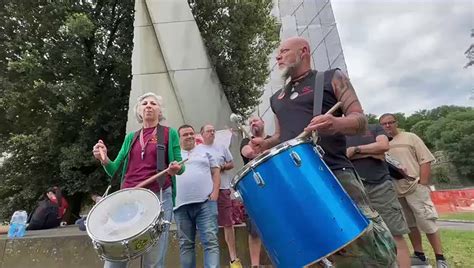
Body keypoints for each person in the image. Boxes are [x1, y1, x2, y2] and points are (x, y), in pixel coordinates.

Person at [249, 36, 397, 267]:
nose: (278, 56)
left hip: (335, 172)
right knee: (312, 247)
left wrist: (335, 124)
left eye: (284, 51)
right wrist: (264, 142)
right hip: (296, 179)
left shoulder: (331, 78)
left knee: (363, 243)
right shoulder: (276, 98)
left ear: (304, 51)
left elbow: (360, 120)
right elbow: (281, 136)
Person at [92, 92, 184, 268]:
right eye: (144, 103)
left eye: (153, 103)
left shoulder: (168, 133)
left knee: (154, 259)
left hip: (158, 197)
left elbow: (181, 165)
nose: (148, 106)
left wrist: (176, 168)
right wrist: (104, 159)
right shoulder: (131, 138)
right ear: (139, 111)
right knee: (115, 256)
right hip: (127, 199)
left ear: (160, 111)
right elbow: (115, 170)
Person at [379, 113, 449, 268]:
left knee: (427, 221)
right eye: (384, 124)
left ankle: (440, 258)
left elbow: (425, 159)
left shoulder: (410, 137)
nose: (388, 126)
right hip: (397, 190)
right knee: (409, 224)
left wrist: (422, 183)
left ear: (396, 123)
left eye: (390, 122)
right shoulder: (382, 142)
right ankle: (420, 255)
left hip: (415, 187)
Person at [346, 124, 411, 268]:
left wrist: (355, 150)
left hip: (380, 186)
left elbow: (383, 147)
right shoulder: (336, 133)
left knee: (395, 235)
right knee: (361, 241)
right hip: (352, 190)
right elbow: (341, 157)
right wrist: (370, 151)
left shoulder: (374, 128)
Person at [174, 125, 221, 268]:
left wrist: (215, 193)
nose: (189, 136)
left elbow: (216, 171)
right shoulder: (173, 155)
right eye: (185, 134)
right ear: (179, 138)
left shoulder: (205, 151)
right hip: (181, 206)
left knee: (211, 243)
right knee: (186, 245)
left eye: (191, 133)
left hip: (205, 203)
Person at [200, 124, 242, 268]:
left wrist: (221, 167)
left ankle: (233, 259)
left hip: (223, 188)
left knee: (227, 223)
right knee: (207, 224)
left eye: (213, 131)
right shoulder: (198, 150)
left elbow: (231, 163)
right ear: (202, 134)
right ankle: (210, 260)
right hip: (205, 191)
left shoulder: (221, 147)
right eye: (208, 131)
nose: (212, 133)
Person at [240, 116, 270, 267]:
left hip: (274, 188)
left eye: (256, 121)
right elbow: (247, 152)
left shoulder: (271, 140)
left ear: (263, 123)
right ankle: (255, 265)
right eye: (250, 122)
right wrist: (255, 151)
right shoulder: (246, 141)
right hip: (254, 190)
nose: (253, 123)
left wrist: (265, 147)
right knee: (254, 230)